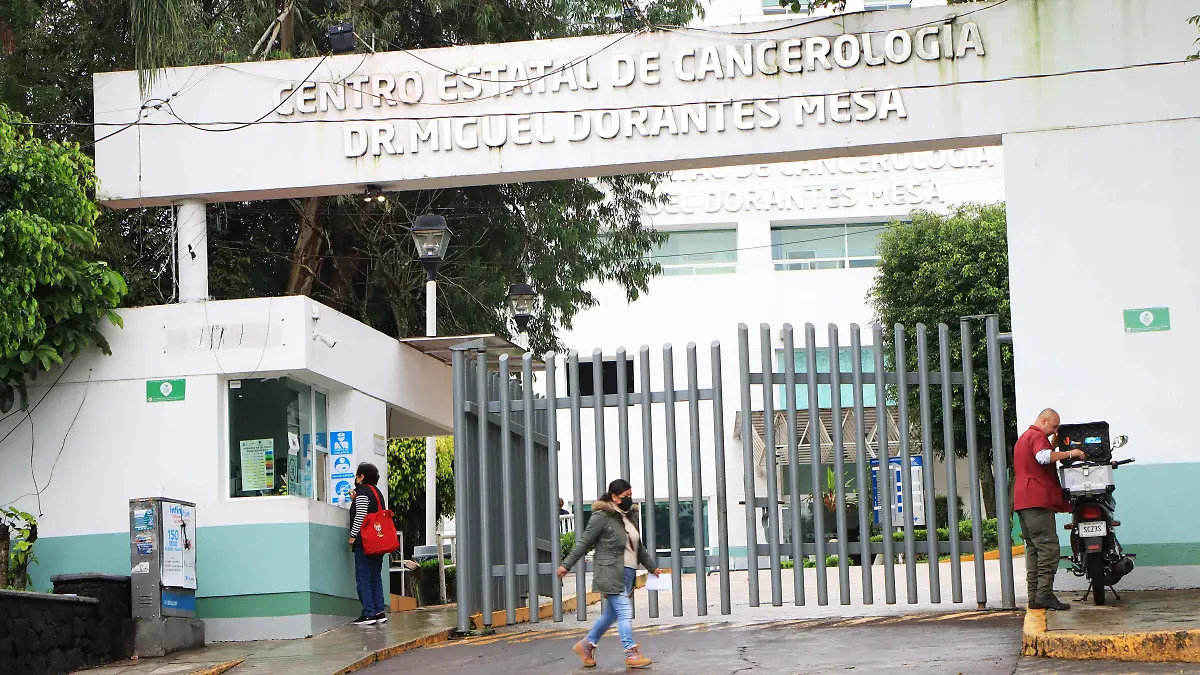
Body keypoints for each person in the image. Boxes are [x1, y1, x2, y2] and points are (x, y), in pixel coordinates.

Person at [558, 479, 666, 669]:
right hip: (610, 572)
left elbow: (638, 547)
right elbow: (584, 542)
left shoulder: (629, 516)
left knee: (610, 616)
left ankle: (586, 646)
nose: (629, 499)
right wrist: (566, 565)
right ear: (614, 497)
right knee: (624, 611)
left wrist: (652, 568)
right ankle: (631, 653)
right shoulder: (601, 517)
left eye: (630, 495)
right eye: (625, 496)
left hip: (628, 573)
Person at [1013, 408, 1085, 611]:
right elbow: (1043, 457)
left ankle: (1034, 597)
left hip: (1023, 501)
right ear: (1044, 421)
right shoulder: (1037, 436)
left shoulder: (1024, 438)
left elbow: (1040, 454)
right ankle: (1044, 594)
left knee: (1034, 549)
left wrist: (1053, 443)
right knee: (1048, 548)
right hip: (1037, 500)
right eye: (1054, 427)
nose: (1055, 431)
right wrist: (1071, 453)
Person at [348, 462, 388, 626]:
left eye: (357, 476)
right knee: (375, 577)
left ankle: (369, 614)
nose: (356, 479)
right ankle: (379, 612)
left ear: (362, 476)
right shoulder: (377, 492)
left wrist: (353, 535)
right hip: (379, 540)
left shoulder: (362, 492)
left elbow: (361, 515)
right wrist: (355, 499)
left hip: (365, 541)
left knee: (363, 578)